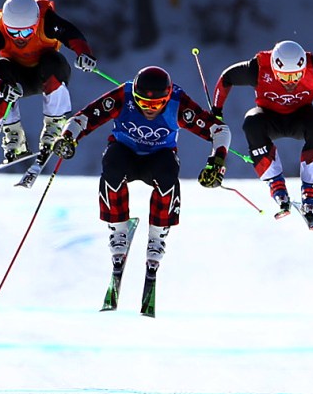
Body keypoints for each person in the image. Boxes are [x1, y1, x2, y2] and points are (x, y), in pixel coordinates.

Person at [50, 65, 230, 279]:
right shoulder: (124, 96)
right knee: (112, 165)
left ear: (167, 97)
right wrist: (69, 137)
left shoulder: (178, 103)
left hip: (159, 157)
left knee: (168, 173)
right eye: (143, 102)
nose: (149, 109)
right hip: (125, 153)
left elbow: (219, 130)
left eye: (157, 104)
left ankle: (157, 236)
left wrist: (216, 162)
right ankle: (118, 231)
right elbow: (83, 118)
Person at [211, 40, 313, 219]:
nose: (291, 82)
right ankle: (275, 183)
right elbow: (227, 77)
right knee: (251, 122)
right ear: (274, 68)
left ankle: (311, 189)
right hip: (269, 117)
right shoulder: (258, 68)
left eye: (296, 76)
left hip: (301, 117)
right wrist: (216, 112)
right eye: (285, 77)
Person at [0, 0, 97, 165]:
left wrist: (84, 53)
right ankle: (13, 134)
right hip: (15, 84)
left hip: (45, 77)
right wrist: (1, 86)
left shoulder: (46, 20)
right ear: (6, 25)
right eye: (13, 32)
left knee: (54, 60)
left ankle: (54, 126)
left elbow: (72, 34)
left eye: (27, 31)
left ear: (36, 22)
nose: (20, 38)